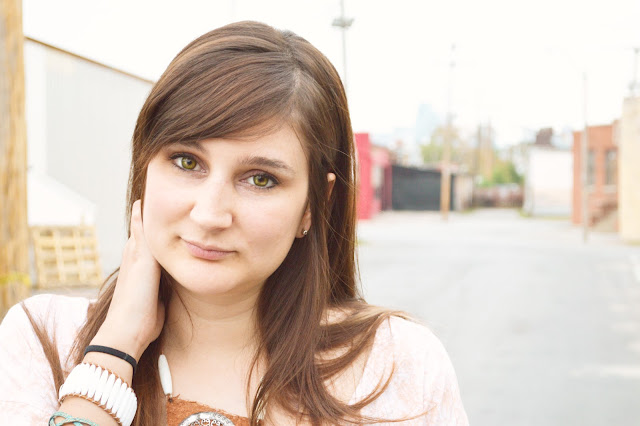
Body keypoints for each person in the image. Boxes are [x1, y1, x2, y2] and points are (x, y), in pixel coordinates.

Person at [0, 21, 468, 426]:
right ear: (144, 167)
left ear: (313, 204)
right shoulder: (45, 339)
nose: (210, 214)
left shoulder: (392, 367)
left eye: (260, 179)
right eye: (187, 162)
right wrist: (114, 350)